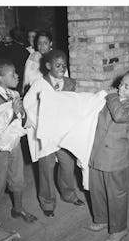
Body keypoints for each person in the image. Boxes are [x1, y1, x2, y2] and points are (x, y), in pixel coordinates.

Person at [87, 69, 129, 241]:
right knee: (96, 189)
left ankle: (119, 228)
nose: (120, 88)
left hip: (114, 157)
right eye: (121, 83)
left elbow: (119, 116)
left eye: (126, 86)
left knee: (116, 194)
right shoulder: (113, 100)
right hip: (97, 152)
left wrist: (111, 96)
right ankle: (101, 218)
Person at [23, 49, 85, 218]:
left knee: (67, 164)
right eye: (58, 65)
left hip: (63, 133)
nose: (62, 68)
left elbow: (74, 105)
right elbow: (27, 107)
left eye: (64, 65)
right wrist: (41, 122)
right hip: (45, 134)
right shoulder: (39, 84)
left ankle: (69, 194)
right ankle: (47, 202)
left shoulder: (70, 83)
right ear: (48, 66)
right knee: (46, 167)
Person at [0, 59, 37, 223]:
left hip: (14, 144)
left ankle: (18, 209)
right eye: (13, 74)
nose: (17, 76)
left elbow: (23, 118)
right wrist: (12, 112)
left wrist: (24, 114)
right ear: (0, 77)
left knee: (18, 178)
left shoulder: (14, 94)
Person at [23, 30, 68, 95]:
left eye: (45, 43)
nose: (42, 46)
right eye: (39, 43)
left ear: (50, 44)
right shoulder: (32, 59)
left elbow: (65, 81)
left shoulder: (58, 58)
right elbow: (26, 81)